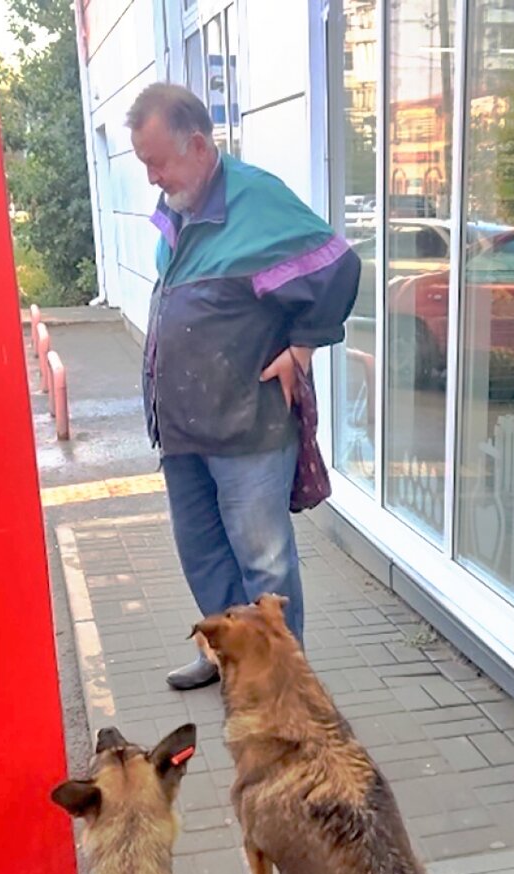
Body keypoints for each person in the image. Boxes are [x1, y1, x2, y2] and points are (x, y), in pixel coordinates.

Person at [127, 83, 360, 690]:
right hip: (183, 429)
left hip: (248, 428)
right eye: (144, 163)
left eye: (158, 161)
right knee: (202, 553)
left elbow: (339, 264)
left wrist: (302, 349)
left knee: (265, 563)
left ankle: (286, 683)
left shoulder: (256, 200)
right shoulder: (181, 207)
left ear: (199, 146)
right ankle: (229, 661)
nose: (152, 176)